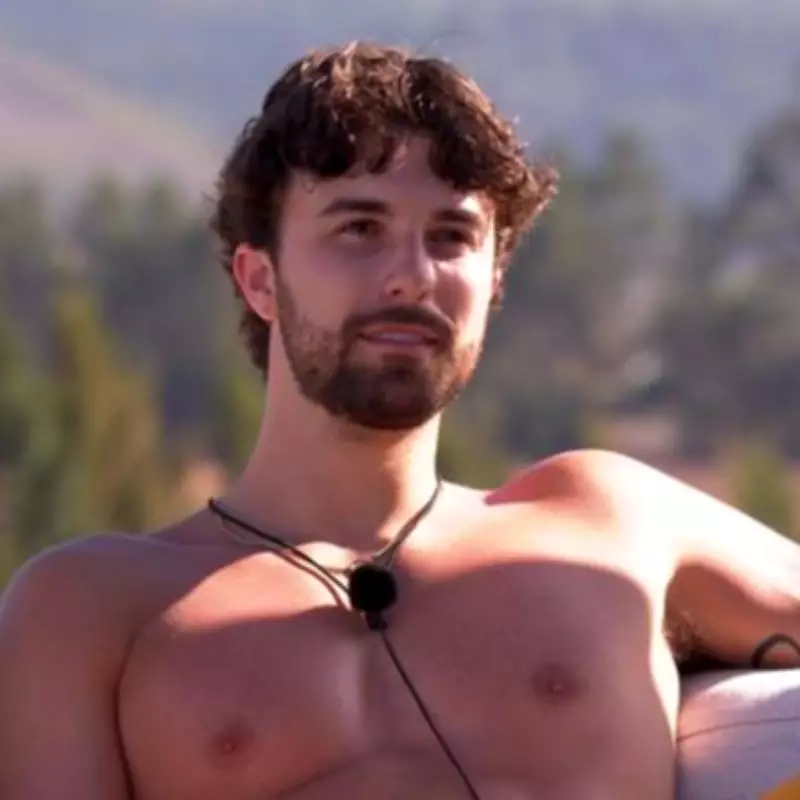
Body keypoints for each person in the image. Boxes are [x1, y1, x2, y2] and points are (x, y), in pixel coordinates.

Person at [1, 40, 799, 800]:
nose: (411, 276)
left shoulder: (607, 524)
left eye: (451, 237)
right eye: (359, 228)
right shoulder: (93, 610)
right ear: (260, 280)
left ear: (494, 280)